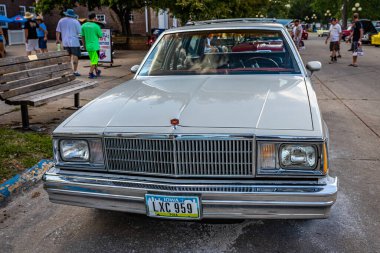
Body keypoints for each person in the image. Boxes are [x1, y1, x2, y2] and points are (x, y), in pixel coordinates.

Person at [56, 9, 82, 76]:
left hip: (65, 42)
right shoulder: (76, 21)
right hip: (74, 42)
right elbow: (80, 32)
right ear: (73, 15)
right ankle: (75, 71)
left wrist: (58, 39)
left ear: (66, 14)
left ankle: (67, 70)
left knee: (67, 56)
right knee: (75, 56)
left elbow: (58, 31)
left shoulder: (61, 21)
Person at [81, 13, 103, 79]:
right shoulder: (96, 26)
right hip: (95, 46)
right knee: (94, 60)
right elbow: (100, 35)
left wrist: (84, 45)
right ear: (94, 18)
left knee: (93, 59)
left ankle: (97, 71)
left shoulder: (83, 25)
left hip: (88, 46)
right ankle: (90, 73)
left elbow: (83, 37)